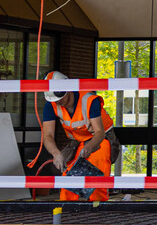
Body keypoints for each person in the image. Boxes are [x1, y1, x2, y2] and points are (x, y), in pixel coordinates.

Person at [39, 70, 113, 204]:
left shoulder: (89, 100)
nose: (59, 102)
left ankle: (98, 209)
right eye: (55, 100)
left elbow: (99, 133)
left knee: (97, 175)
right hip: (78, 142)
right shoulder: (51, 105)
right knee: (68, 179)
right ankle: (67, 210)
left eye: (60, 98)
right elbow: (48, 136)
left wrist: (89, 148)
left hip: (101, 140)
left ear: (67, 90)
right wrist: (56, 154)